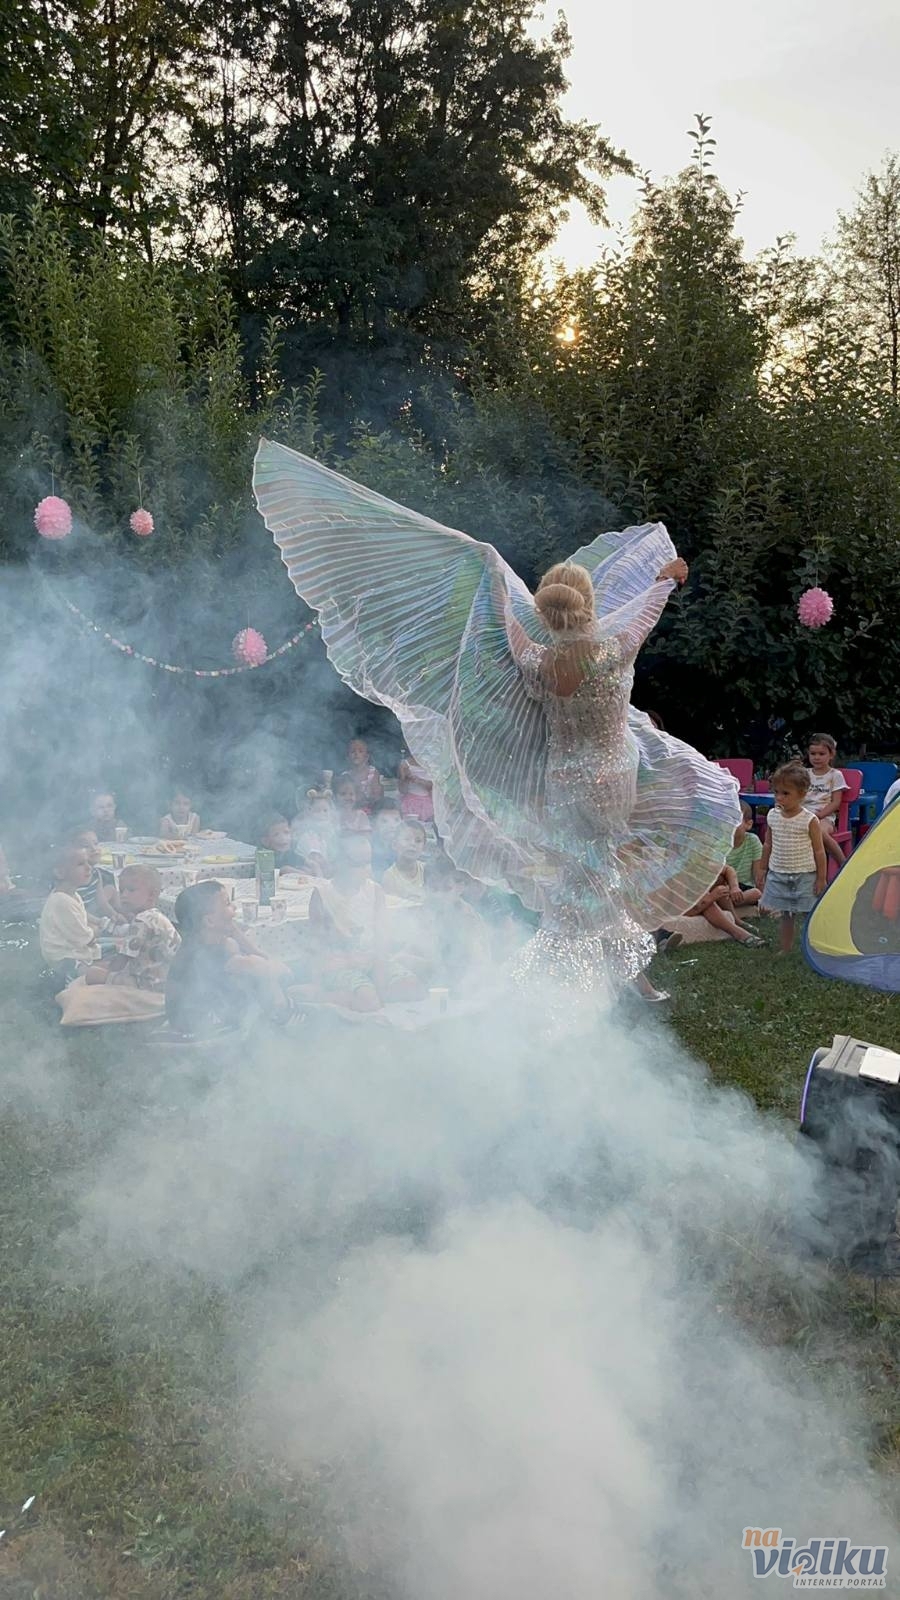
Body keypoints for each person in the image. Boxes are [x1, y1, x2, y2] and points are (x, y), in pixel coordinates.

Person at [252, 441, 741, 1006]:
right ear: (588, 608)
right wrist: (666, 580)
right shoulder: (614, 649)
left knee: (578, 878)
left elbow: (510, 625)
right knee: (601, 874)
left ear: (546, 614)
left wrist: (497, 589)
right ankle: (597, 979)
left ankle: (577, 979)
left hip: (563, 780)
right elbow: (645, 611)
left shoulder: (536, 660)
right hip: (613, 778)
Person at [308, 835, 424, 1011]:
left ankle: (370, 993)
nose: (365, 870)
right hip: (339, 964)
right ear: (339, 863)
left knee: (413, 988)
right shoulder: (322, 894)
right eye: (358, 864)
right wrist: (319, 975)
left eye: (368, 863)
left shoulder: (374, 891)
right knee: (369, 1001)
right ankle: (318, 996)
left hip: (371, 960)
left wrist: (380, 972)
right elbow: (316, 943)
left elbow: (382, 937)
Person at [165, 879, 297, 1035]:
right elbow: (279, 971)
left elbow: (237, 935)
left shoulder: (196, 943)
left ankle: (284, 1019)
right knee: (264, 981)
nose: (234, 908)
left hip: (187, 1023)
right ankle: (288, 1022)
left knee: (258, 980)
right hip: (203, 1032)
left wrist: (251, 948)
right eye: (227, 904)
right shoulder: (210, 954)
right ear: (209, 921)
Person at [760, 764, 827, 953]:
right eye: (776, 792)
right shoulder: (772, 816)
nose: (779, 797)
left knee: (809, 913)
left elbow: (819, 851)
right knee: (786, 915)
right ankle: (786, 948)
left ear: (802, 794)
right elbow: (768, 844)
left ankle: (815, 947)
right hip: (779, 873)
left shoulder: (809, 820)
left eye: (786, 793)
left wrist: (821, 878)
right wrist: (762, 868)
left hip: (805, 875)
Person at [85, 864, 180, 990]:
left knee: (92, 973)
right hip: (168, 979)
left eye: (131, 890)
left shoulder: (142, 921)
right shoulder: (155, 917)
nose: (124, 895)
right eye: (121, 890)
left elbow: (122, 960)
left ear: (152, 895)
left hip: (149, 983)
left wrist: (108, 972)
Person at [39, 845, 102, 983]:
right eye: (80, 864)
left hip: (74, 947)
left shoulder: (72, 895)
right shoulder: (61, 901)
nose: (89, 868)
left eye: (88, 862)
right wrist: (99, 929)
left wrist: (100, 923)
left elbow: (82, 918)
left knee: (118, 945)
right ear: (60, 873)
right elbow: (86, 938)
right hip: (64, 959)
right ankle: (71, 982)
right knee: (102, 971)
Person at [806, 734, 849, 868]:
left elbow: (836, 802)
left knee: (819, 831)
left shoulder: (835, 775)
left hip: (824, 817)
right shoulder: (804, 774)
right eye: (813, 754)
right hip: (803, 815)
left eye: (821, 754)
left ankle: (843, 863)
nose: (816, 757)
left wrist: (819, 815)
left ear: (831, 755)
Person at [69, 829, 122, 924]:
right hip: (77, 915)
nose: (94, 849)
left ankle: (123, 912)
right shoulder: (73, 876)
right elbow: (74, 910)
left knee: (111, 889)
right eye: (85, 846)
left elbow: (102, 902)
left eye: (96, 843)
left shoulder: (96, 873)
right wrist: (99, 922)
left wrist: (115, 915)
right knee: (94, 928)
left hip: (92, 908)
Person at [724, 804, 764, 909]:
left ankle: (726, 906)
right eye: (726, 819)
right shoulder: (720, 842)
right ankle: (728, 906)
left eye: (735, 820)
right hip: (726, 887)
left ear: (748, 824)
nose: (730, 824)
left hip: (745, 888)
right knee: (720, 892)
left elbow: (758, 875)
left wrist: (763, 900)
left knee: (756, 893)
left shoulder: (752, 841)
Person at [290, 789, 336, 876]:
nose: (322, 814)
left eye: (325, 810)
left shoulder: (330, 831)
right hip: (308, 865)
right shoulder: (309, 833)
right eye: (317, 811)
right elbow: (314, 857)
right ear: (310, 811)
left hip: (324, 866)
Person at [382, 819, 428, 903]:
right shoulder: (389, 876)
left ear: (424, 847)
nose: (412, 844)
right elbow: (391, 905)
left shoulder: (427, 870)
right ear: (394, 845)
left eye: (418, 841)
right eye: (407, 839)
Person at [345, 738, 383, 809]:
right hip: (353, 808)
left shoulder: (372, 772)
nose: (356, 754)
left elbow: (377, 794)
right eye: (353, 751)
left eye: (360, 751)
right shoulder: (346, 775)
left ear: (366, 757)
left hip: (371, 807)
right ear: (347, 757)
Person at [398, 748, 434, 825]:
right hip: (410, 801)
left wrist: (419, 781)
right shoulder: (405, 764)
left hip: (428, 801)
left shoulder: (432, 762)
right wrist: (405, 778)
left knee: (428, 824)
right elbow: (401, 789)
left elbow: (433, 786)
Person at [370, 797, 403, 876]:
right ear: (374, 823)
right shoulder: (369, 848)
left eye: (396, 820)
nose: (392, 826)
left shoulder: (404, 846)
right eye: (384, 821)